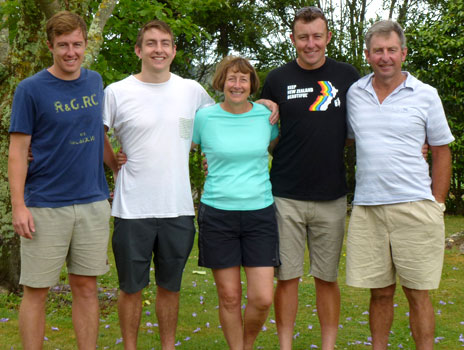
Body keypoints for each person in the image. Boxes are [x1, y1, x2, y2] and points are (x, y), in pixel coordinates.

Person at [103, 20, 278, 350]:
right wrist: (114, 162)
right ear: (139, 50)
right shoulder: (116, 91)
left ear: (173, 50)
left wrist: (269, 104)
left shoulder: (192, 92)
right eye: (151, 43)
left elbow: (224, 124)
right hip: (131, 209)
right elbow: (99, 131)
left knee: (171, 287)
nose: (159, 49)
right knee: (131, 288)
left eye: (165, 43)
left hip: (179, 208)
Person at [8, 11, 116, 350]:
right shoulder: (30, 90)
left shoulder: (95, 81)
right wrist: (19, 205)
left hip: (92, 203)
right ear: (50, 46)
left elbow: (97, 133)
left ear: (86, 43)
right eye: (63, 45)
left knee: (86, 288)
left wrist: (115, 163)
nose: (71, 52)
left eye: (77, 45)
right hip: (44, 206)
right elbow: (18, 149)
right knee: (36, 291)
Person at [345, 20, 453, 349]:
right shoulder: (355, 93)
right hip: (368, 209)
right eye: (378, 50)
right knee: (379, 293)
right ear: (367, 55)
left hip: (416, 208)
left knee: (418, 294)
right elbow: (351, 140)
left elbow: (441, 150)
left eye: (392, 50)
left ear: (403, 53)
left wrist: (437, 204)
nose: (385, 57)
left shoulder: (426, 95)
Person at [260, 7, 359, 350]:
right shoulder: (276, 79)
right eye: (303, 37)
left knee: (326, 279)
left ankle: (328, 346)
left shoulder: (348, 76)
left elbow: (362, 126)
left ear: (328, 37)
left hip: (331, 195)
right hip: (285, 195)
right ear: (293, 39)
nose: (311, 43)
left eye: (317, 36)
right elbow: (262, 131)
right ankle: (286, 345)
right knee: (286, 279)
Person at [192, 56, 279, 350]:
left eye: (243, 79)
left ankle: (247, 344)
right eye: (231, 78)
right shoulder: (204, 118)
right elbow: (178, 147)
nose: (237, 84)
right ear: (221, 82)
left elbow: (282, 148)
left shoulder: (266, 118)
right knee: (229, 296)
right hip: (218, 214)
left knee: (262, 297)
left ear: (252, 84)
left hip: (259, 214)